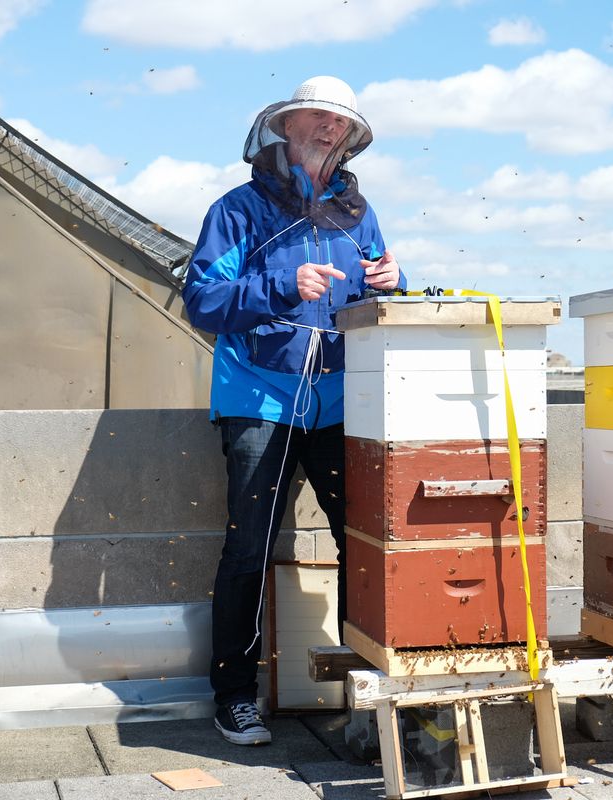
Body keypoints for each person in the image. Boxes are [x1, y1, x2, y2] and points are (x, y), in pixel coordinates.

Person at [182, 76, 404, 746]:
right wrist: (282, 285)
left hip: (339, 402)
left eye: (341, 121)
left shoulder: (359, 215)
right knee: (248, 548)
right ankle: (233, 695)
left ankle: (369, 693)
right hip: (259, 397)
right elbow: (200, 299)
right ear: (285, 125)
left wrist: (399, 282)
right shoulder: (237, 211)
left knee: (362, 548)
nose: (330, 127)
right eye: (318, 115)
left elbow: (378, 294)